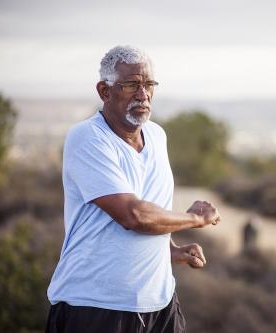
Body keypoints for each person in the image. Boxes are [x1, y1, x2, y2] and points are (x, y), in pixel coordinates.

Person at [46, 45, 221, 333]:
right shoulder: (88, 138)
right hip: (95, 306)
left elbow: (149, 204)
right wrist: (195, 219)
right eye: (131, 85)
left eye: (149, 84)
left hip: (160, 303)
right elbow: (133, 215)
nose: (143, 95)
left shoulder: (157, 135)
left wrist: (169, 250)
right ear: (104, 91)